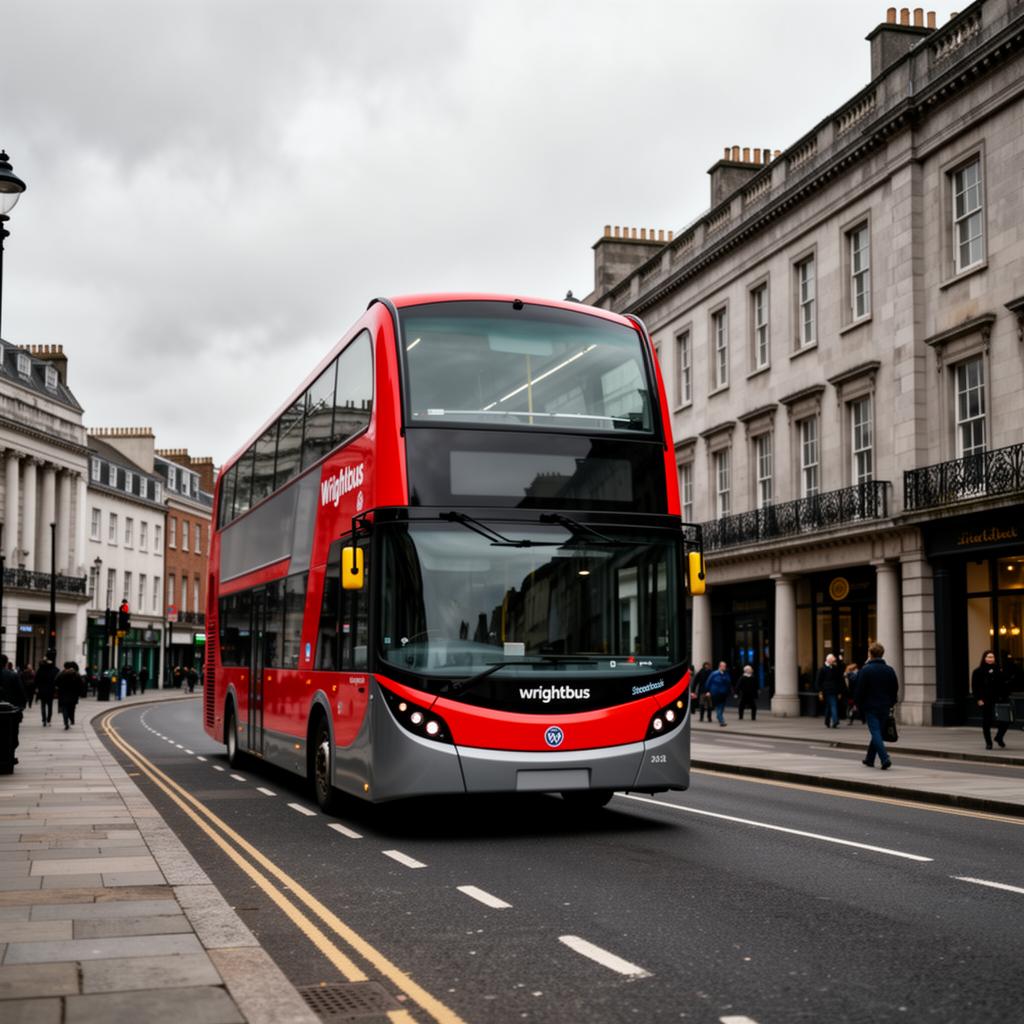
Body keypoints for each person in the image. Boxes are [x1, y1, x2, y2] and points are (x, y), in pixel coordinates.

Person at [854, 642, 899, 770]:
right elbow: (895, 688)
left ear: (870, 654)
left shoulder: (866, 670)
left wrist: (858, 704)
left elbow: (859, 690)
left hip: (870, 707)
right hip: (885, 706)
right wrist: (892, 702)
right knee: (877, 732)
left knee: (875, 732)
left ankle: (884, 758)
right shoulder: (889, 670)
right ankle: (869, 759)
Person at [973, 649, 1009, 750]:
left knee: (1006, 720)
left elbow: (1004, 683)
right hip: (985, 700)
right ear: (984, 658)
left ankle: (999, 737)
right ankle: (988, 743)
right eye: (988, 657)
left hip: (999, 700)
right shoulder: (978, 671)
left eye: (992, 657)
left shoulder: (999, 670)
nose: (990, 659)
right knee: (987, 722)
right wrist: (978, 699)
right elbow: (975, 687)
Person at [0, 655, 26, 765]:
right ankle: (9, 757)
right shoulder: (13, 675)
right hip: (10, 711)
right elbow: (21, 693)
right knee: (11, 736)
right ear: (6, 663)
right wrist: (20, 707)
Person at [816, 653, 845, 728]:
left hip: (834, 690)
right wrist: (820, 691)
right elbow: (818, 681)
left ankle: (827, 721)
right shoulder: (822, 669)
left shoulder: (834, 668)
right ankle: (835, 721)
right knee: (833, 705)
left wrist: (839, 691)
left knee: (829, 706)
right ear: (828, 660)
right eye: (833, 660)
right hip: (826, 691)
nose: (834, 661)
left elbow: (839, 680)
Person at [55, 661, 82, 730]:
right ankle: (71, 719)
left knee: (64, 709)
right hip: (73, 695)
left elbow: (56, 682)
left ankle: (66, 722)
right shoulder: (76, 674)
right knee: (71, 708)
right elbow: (80, 684)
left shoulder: (61, 674)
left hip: (63, 694)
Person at [706, 660, 732, 727]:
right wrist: (707, 691)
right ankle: (721, 721)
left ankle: (719, 716)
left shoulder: (726, 674)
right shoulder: (714, 674)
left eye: (725, 666)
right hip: (716, 693)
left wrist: (729, 691)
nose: (724, 667)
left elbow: (729, 683)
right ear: (720, 666)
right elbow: (708, 682)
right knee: (718, 707)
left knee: (722, 707)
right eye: (723, 666)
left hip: (723, 693)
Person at [35, 653, 58, 727]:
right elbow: (56, 674)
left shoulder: (40, 670)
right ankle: (48, 720)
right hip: (50, 691)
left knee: (43, 706)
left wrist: (37, 688)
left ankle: (44, 720)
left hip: (42, 691)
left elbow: (36, 680)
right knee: (50, 706)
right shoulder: (52, 670)